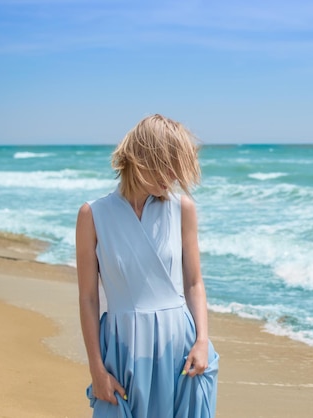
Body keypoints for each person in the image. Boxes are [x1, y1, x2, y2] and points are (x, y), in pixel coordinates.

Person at [76, 114, 219, 418]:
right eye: (167, 164)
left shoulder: (182, 209)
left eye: (177, 167)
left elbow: (194, 282)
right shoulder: (93, 215)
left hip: (180, 351)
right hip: (122, 350)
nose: (173, 176)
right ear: (141, 157)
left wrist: (202, 342)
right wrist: (96, 369)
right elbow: (88, 298)